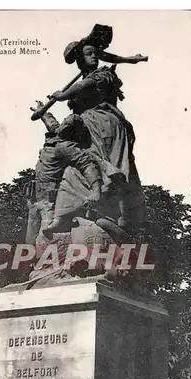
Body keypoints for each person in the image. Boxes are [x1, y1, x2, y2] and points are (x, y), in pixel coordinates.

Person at [48, 30, 147, 231]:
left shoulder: (103, 74)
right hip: (86, 128)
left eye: (95, 53)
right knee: (83, 165)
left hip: (106, 124)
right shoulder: (87, 79)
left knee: (112, 167)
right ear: (81, 60)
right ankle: (86, 212)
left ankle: (119, 217)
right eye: (88, 54)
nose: (94, 56)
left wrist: (62, 95)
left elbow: (86, 84)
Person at [25, 101, 102, 244]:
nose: (64, 122)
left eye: (67, 123)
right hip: (37, 197)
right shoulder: (57, 134)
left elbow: (87, 165)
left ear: (70, 131)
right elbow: (51, 122)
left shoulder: (67, 147)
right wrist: (42, 110)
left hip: (50, 199)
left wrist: (96, 190)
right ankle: (29, 263)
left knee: (46, 238)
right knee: (30, 239)